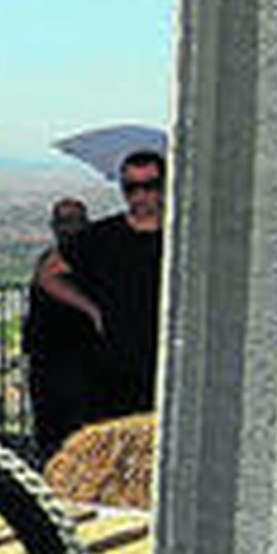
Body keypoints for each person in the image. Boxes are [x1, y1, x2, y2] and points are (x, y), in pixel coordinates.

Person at [36, 149, 165, 421]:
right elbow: (48, 274)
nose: (140, 196)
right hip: (113, 370)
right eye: (131, 187)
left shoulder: (180, 236)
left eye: (149, 186)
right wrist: (92, 309)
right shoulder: (102, 236)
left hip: (165, 363)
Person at [23, 197, 98, 461]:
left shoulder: (93, 263)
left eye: (73, 221)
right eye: (62, 221)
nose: (67, 228)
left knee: (74, 430)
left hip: (79, 360)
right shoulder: (50, 258)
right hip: (46, 357)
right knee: (48, 428)